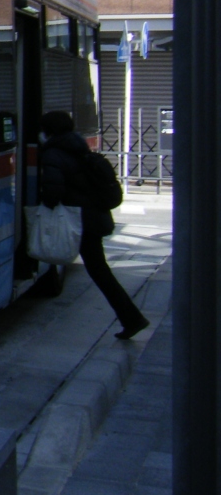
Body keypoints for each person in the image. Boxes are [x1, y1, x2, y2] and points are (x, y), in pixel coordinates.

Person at [39, 109, 149, 339]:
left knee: (99, 270)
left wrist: (44, 203)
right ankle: (132, 319)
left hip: (79, 221)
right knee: (99, 269)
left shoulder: (53, 154)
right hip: (93, 217)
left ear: (48, 130)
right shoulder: (79, 147)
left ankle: (133, 319)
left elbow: (53, 191)